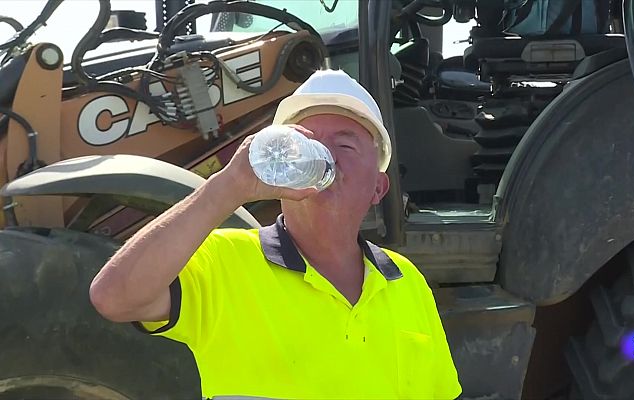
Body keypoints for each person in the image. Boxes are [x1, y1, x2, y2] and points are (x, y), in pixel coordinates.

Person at [89, 69, 462, 399]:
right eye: (308, 143)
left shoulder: (405, 281)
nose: (324, 157)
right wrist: (228, 186)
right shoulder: (225, 261)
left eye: (345, 144)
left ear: (378, 189)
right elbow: (114, 297)